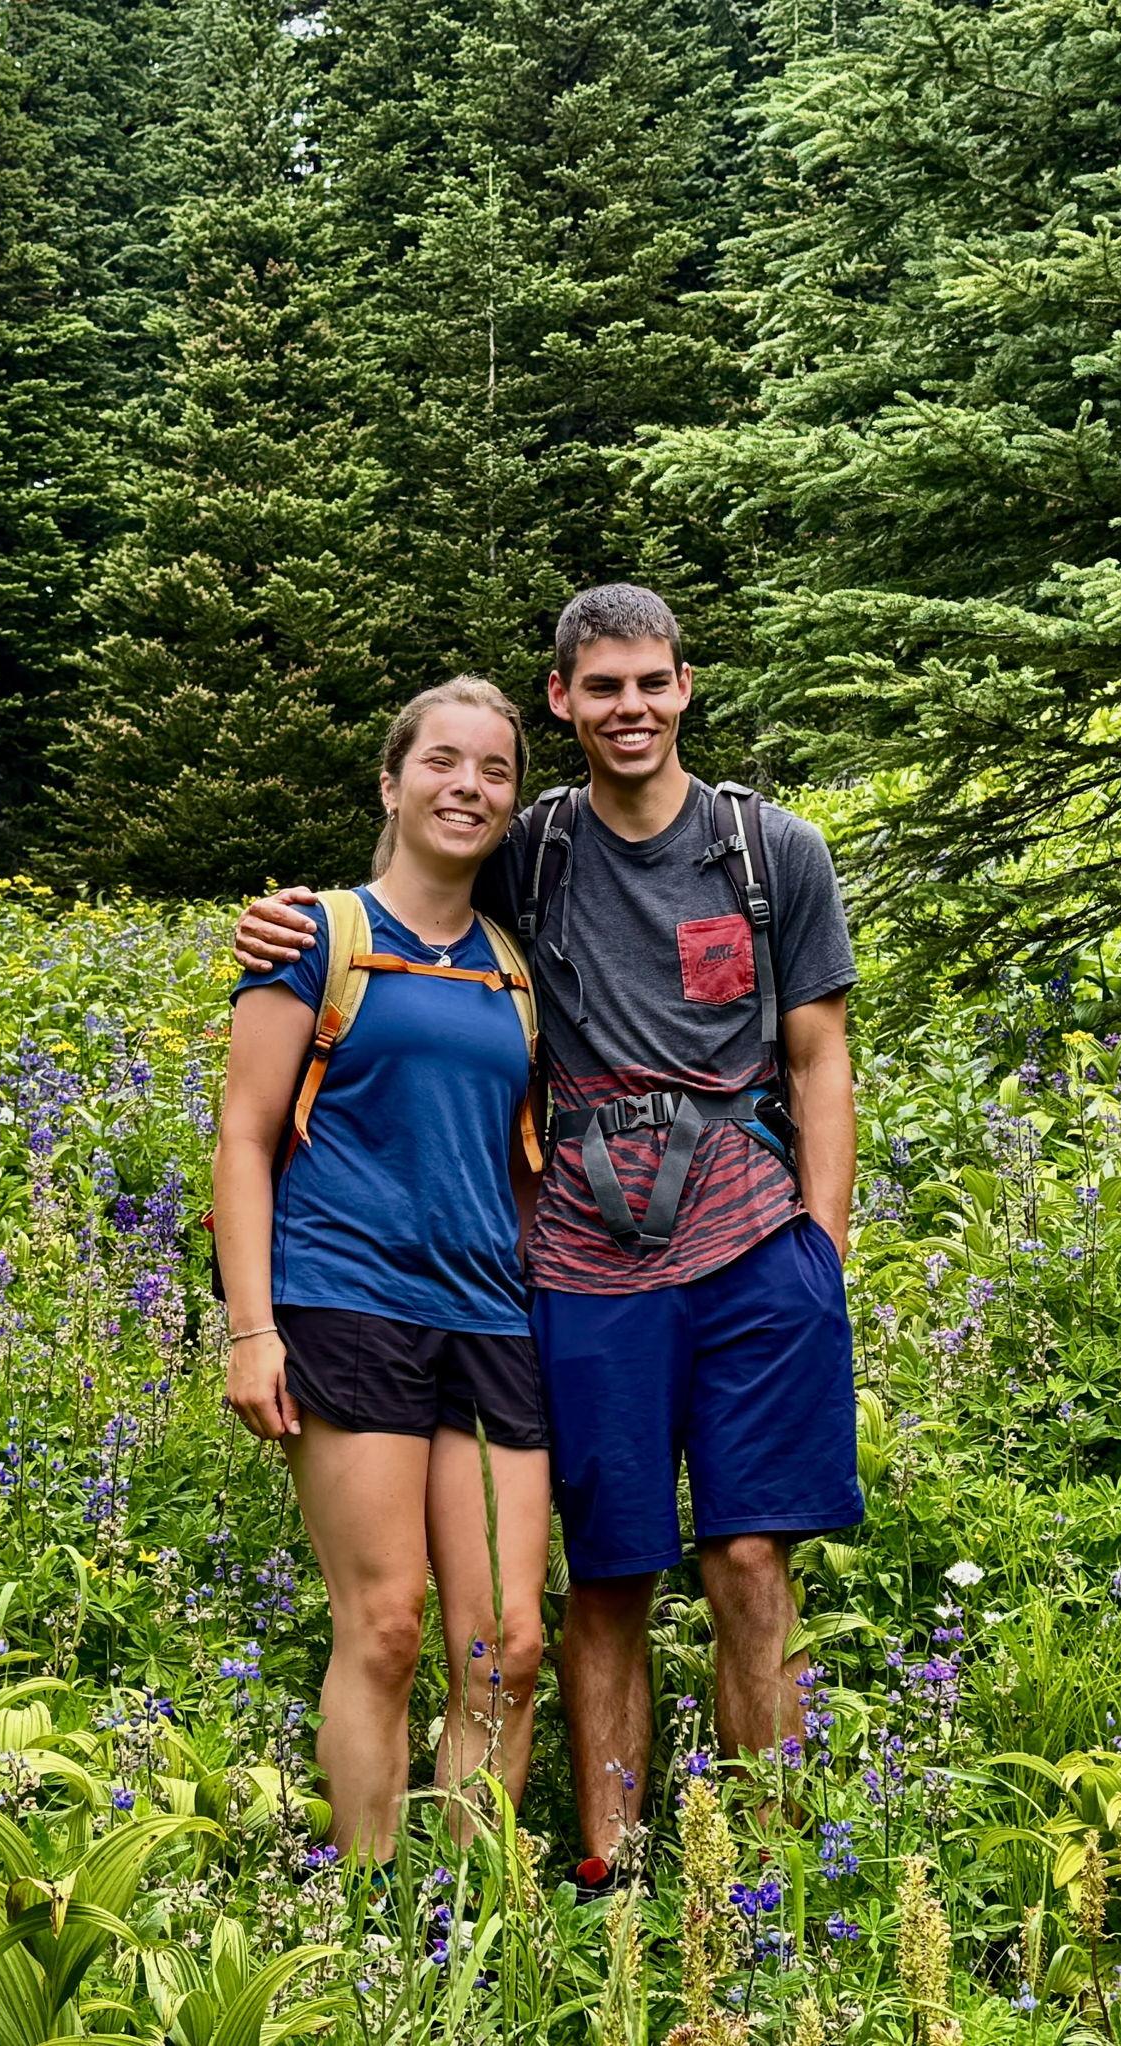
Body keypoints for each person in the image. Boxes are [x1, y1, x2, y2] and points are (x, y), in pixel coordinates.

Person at [236, 585, 863, 1885]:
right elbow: (418, 873)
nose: (631, 708)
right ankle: (609, 1868)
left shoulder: (771, 851)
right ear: (567, 698)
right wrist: (280, 922)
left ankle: (778, 1882)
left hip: (749, 1255)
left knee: (749, 1562)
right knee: (607, 1575)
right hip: (580, 1271)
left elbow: (822, 1053)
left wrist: (823, 1247)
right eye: (602, 688)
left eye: (654, 683)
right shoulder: (538, 846)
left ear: (687, 687)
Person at [214, 675, 551, 1863]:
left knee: (504, 1644)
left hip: (490, 1321)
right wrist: (248, 1328)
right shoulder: (316, 937)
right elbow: (244, 1142)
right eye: (443, 763)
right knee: (386, 1628)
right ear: (392, 781)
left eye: (494, 770)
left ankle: (465, 1920)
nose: (467, 787)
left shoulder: (518, 966)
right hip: (346, 1303)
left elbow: (516, 1162)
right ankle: (369, 1908)